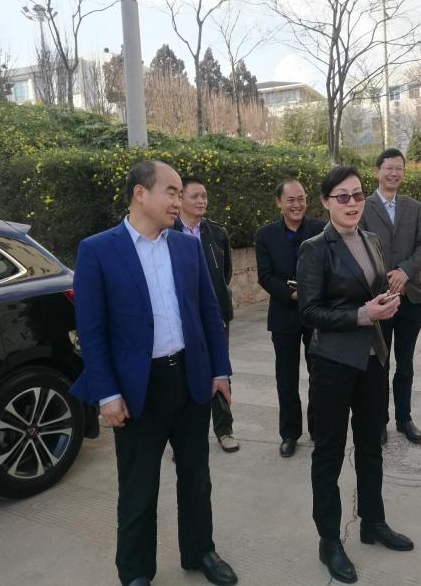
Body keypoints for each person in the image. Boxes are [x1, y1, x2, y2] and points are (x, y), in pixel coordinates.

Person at [70, 161, 238, 586]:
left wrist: (220, 370)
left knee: (196, 477)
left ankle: (200, 551)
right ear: (140, 194)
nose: (178, 201)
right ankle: (135, 572)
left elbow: (209, 312)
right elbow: (91, 331)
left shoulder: (185, 247)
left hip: (190, 378)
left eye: (181, 193)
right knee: (139, 487)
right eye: (172, 192)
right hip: (137, 388)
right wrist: (107, 393)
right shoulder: (98, 250)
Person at [298, 166, 414, 584]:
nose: (352, 203)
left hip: (372, 360)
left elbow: (372, 291)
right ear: (326, 202)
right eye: (342, 196)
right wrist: (363, 314)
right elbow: (309, 311)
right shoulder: (315, 248)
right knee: (328, 453)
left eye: (357, 195)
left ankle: (372, 521)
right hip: (332, 363)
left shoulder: (372, 240)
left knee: (370, 445)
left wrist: (385, 301)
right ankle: (329, 540)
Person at [359, 148, 421, 444]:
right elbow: (358, 248)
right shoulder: (363, 207)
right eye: (388, 167)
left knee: (405, 363)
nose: (394, 173)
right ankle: (379, 421)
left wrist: (404, 271)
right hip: (378, 300)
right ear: (377, 171)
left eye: (399, 168)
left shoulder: (413, 207)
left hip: (410, 298)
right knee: (379, 364)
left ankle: (405, 418)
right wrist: (385, 279)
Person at [255, 179, 325, 457]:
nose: (297, 205)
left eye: (301, 199)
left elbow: (328, 267)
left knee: (318, 374)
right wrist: (291, 294)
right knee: (286, 378)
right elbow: (265, 275)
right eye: (291, 200)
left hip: (316, 314)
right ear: (279, 202)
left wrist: (310, 293)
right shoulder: (265, 235)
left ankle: (318, 429)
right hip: (284, 314)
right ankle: (289, 433)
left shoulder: (321, 229)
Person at [174, 177, 239, 453]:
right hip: (181, 316)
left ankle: (225, 429)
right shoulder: (168, 233)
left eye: (204, 196)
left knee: (219, 368)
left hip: (214, 314)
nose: (202, 201)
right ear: (180, 199)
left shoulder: (216, 232)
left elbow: (225, 273)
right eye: (195, 196)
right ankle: (185, 438)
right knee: (184, 373)